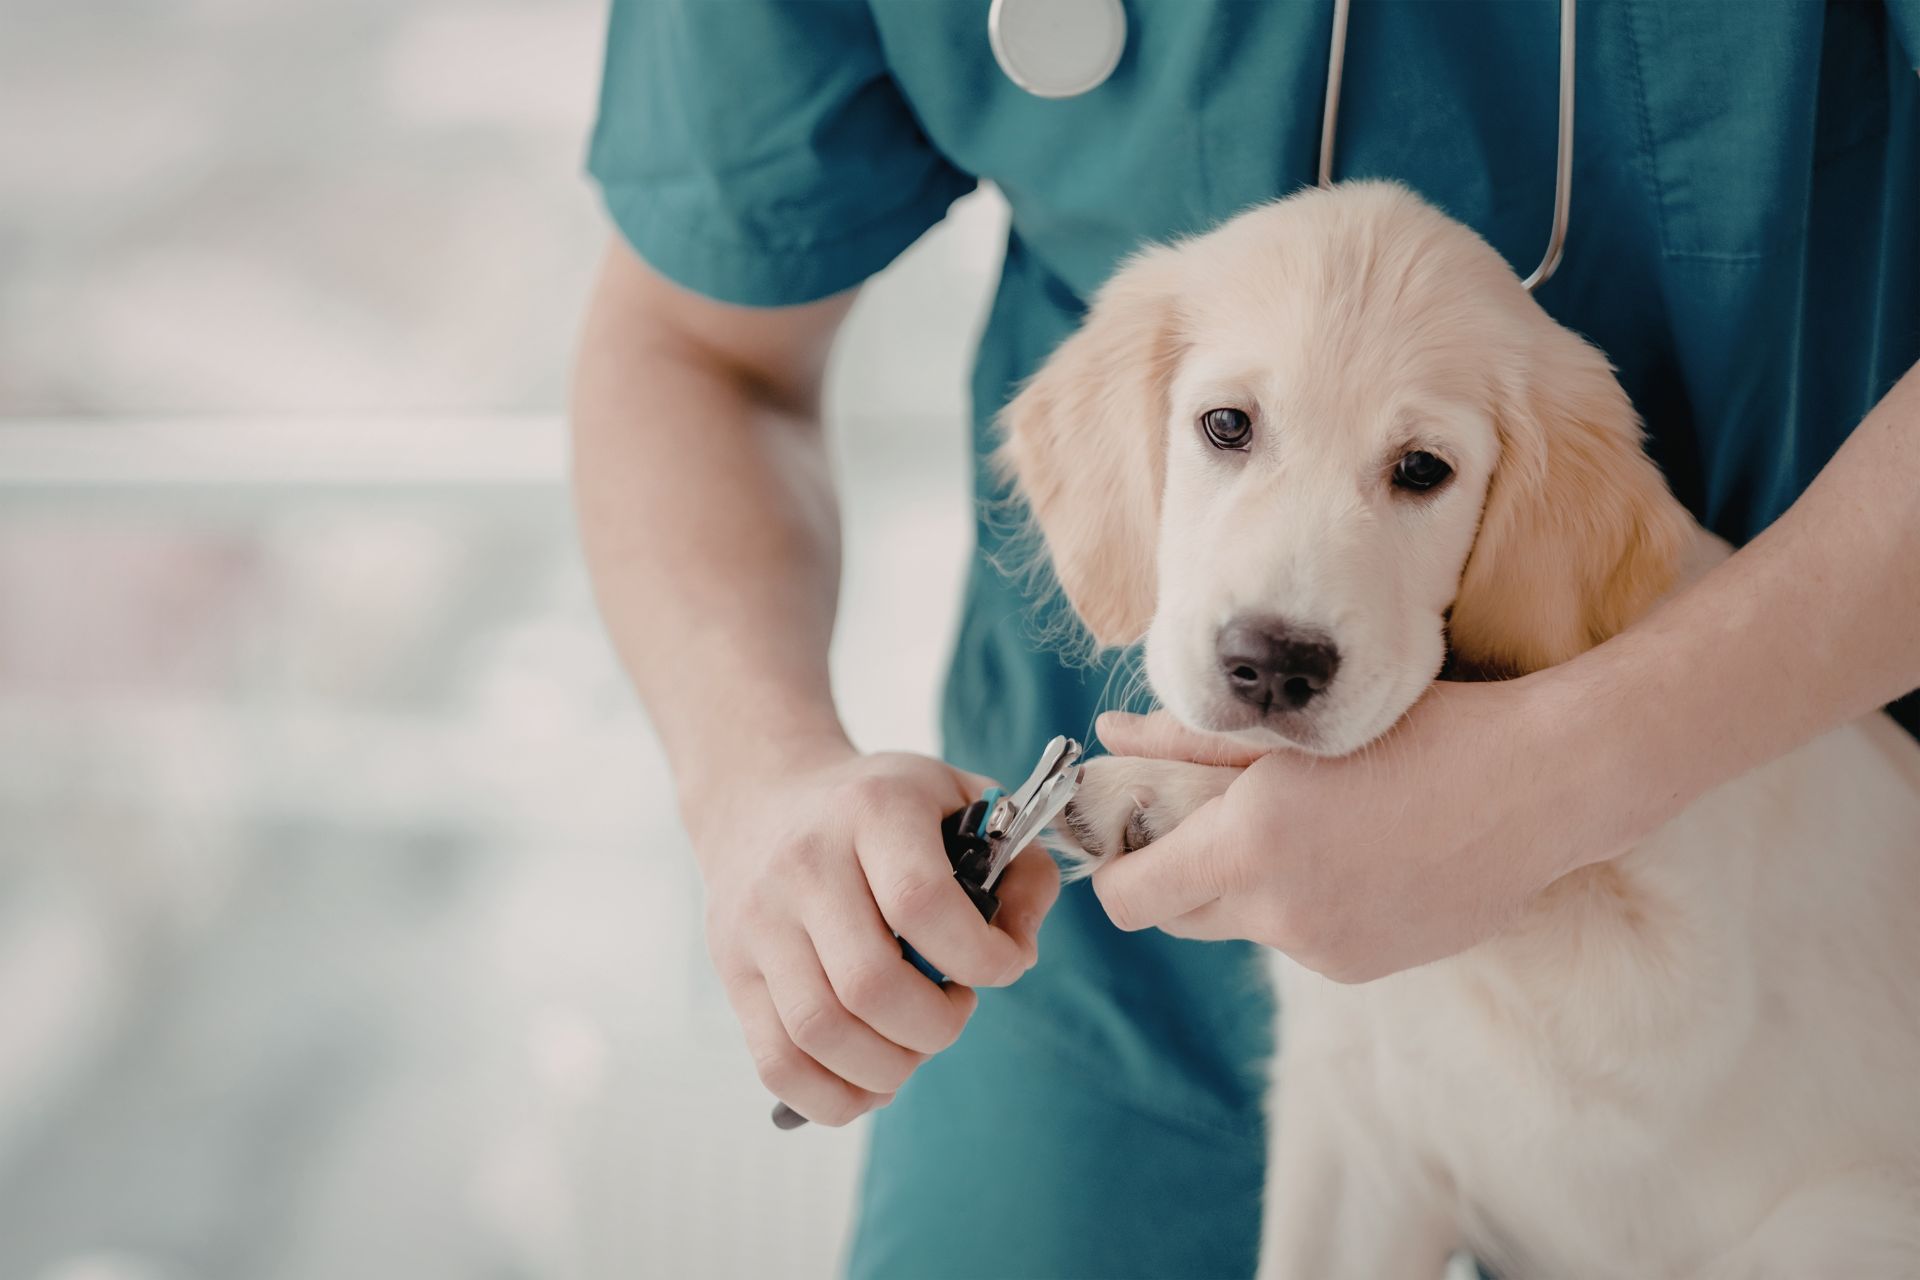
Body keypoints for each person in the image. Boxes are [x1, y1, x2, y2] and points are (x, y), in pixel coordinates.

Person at [572, 3, 1920, 1275]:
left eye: (1419, 471)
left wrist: (1573, 771)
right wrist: (759, 777)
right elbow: (699, 344)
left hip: (1768, 828)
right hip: (1085, 924)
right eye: (1227, 428)